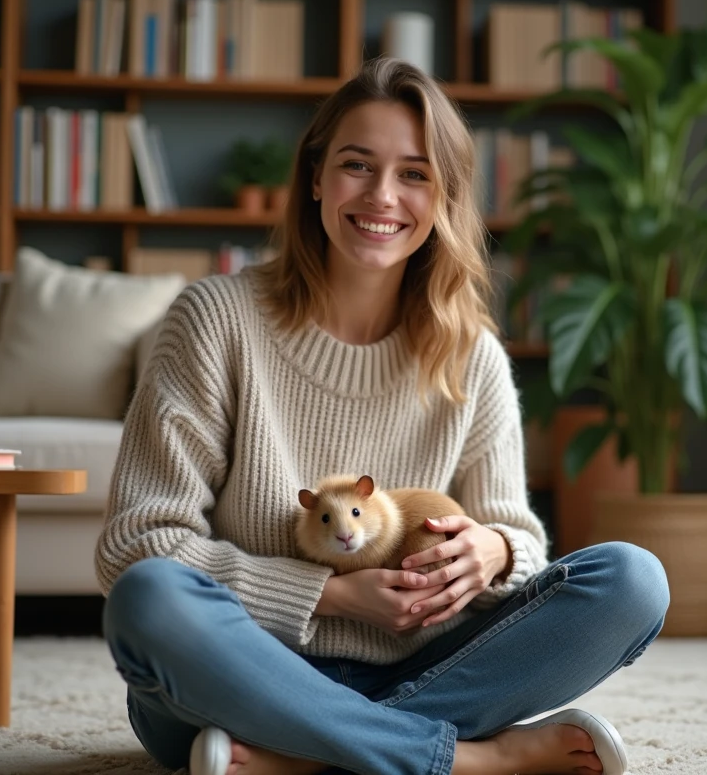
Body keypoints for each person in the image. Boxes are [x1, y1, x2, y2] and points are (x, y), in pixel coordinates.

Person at [95, 56, 669, 775]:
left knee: (633, 581)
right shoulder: (215, 321)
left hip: (429, 675)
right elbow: (137, 547)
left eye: (415, 174)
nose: (383, 196)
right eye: (357, 165)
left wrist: (493, 550)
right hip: (245, 678)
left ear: (444, 197)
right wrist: (331, 595)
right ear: (314, 177)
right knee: (149, 599)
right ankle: (471, 763)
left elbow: (520, 541)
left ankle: (299, 759)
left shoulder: (472, 356)